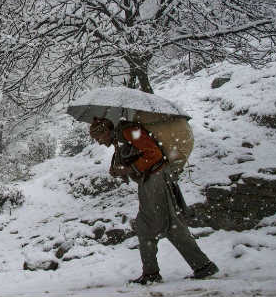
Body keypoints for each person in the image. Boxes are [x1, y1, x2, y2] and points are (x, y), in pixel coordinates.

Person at [89, 117, 218, 285]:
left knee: (166, 225)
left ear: (105, 131)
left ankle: (198, 266)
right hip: (149, 182)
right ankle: (156, 273)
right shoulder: (120, 139)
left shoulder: (129, 131)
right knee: (152, 226)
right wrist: (122, 170)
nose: (98, 142)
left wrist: (128, 169)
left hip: (156, 179)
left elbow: (154, 154)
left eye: (98, 137)